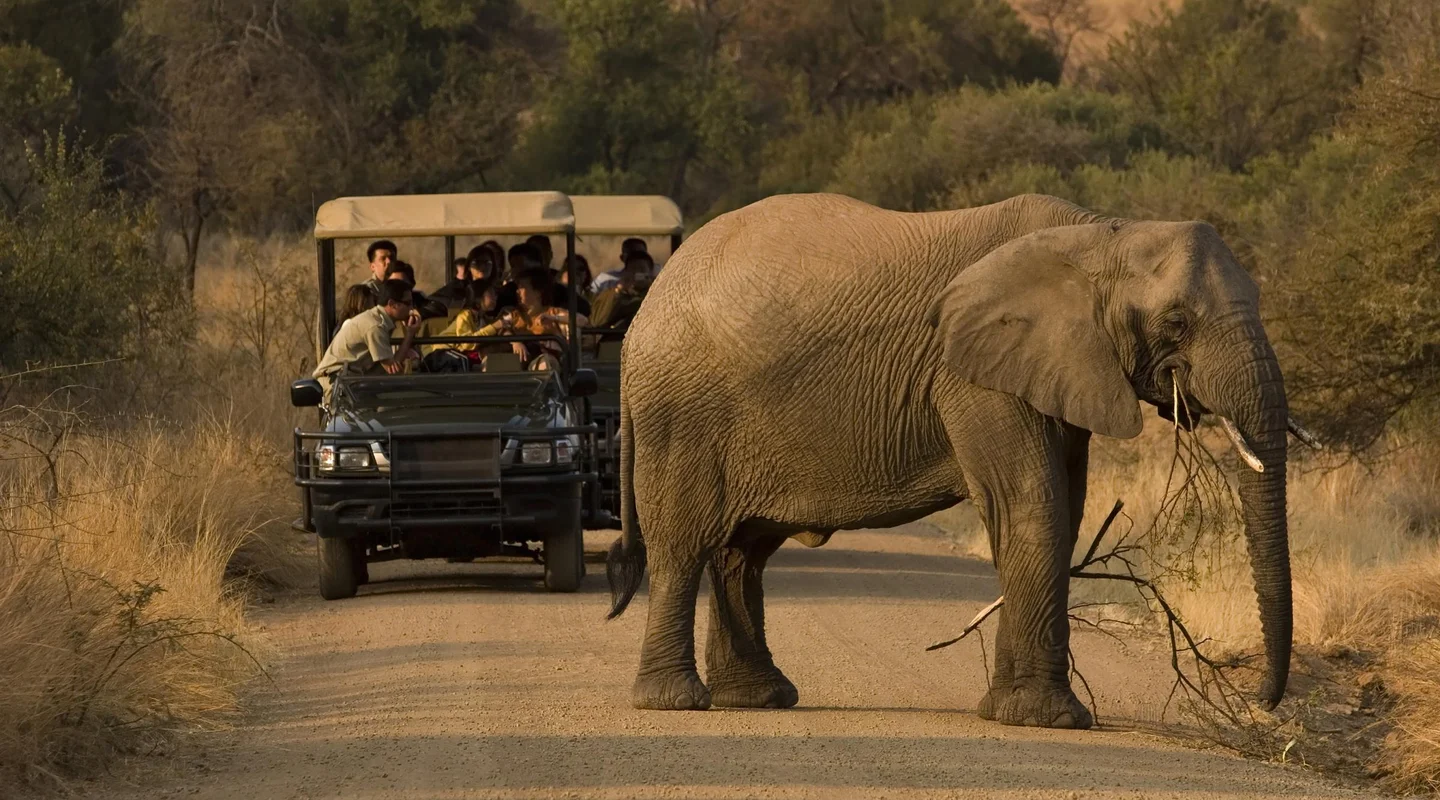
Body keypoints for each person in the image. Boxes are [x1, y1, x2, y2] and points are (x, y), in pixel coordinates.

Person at [465, 267, 588, 371]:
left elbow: (582, 320)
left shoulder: (552, 312)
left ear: (538, 292)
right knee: (491, 364)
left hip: (542, 359)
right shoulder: (513, 313)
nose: (517, 292)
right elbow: (502, 327)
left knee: (546, 365)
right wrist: (515, 341)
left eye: (522, 287)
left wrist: (552, 318)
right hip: (516, 360)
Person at [313, 279, 419, 395]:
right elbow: (392, 370)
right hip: (337, 385)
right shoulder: (375, 326)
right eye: (408, 303)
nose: (411, 309)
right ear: (392, 304)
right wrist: (409, 334)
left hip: (353, 382)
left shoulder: (378, 320)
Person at [589, 250, 652, 329]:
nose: (637, 273)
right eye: (633, 269)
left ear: (650, 272)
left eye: (642, 270)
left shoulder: (657, 296)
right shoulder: (610, 294)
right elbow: (597, 321)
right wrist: (619, 290)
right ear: (625, 272)